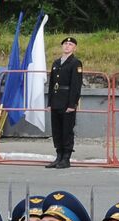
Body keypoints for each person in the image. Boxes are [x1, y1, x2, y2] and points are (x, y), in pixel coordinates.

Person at [46, 37, 81, 169]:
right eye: (65, 44)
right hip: (56, 101)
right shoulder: (56, 63)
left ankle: (66, 158)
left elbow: (76, 85)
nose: (67, 46)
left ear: (74, 48)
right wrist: (49, 102)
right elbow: (51, 84)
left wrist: (72, 105)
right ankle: (58, 156)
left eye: (70, 44)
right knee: (57, 130)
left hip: (67, 102)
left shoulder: (75, 63)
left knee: (67, 130)